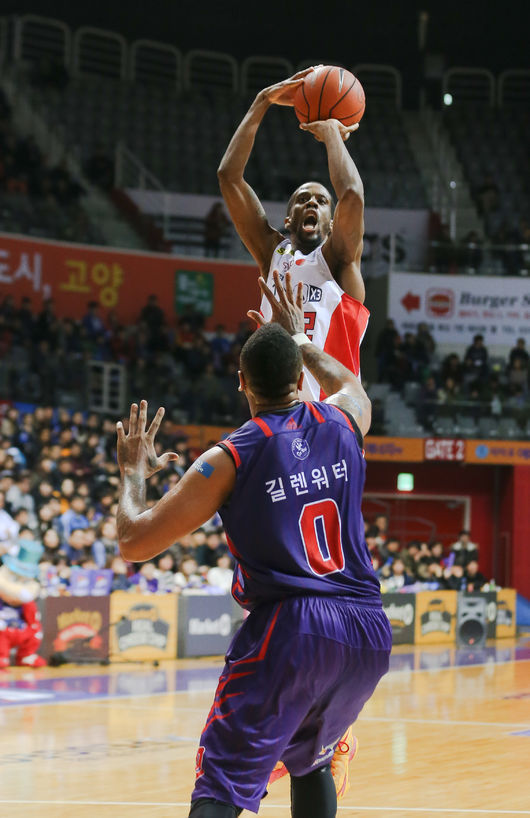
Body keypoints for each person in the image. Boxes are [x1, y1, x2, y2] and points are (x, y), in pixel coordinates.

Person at [116, 272, 392, 818]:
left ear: (241, 382)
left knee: (220, 783)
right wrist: (301, 338)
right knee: (311, 760)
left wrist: (131, 475)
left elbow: (134, 542)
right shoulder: (343, 420)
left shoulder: (231, 456)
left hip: (294, 630)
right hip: (366, 630)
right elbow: (351, 384)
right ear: (299, 376)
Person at [217, 67, 369, 400]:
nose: (311, 202)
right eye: (302, 199)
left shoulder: (341, 262)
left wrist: (331, 132)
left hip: (330, 415)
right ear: (288, 219)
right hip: (278, 412)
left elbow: (352, 195)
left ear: (333, 223)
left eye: (322, 201)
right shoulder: (273, 254)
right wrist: (262, 101)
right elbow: (229, 177)